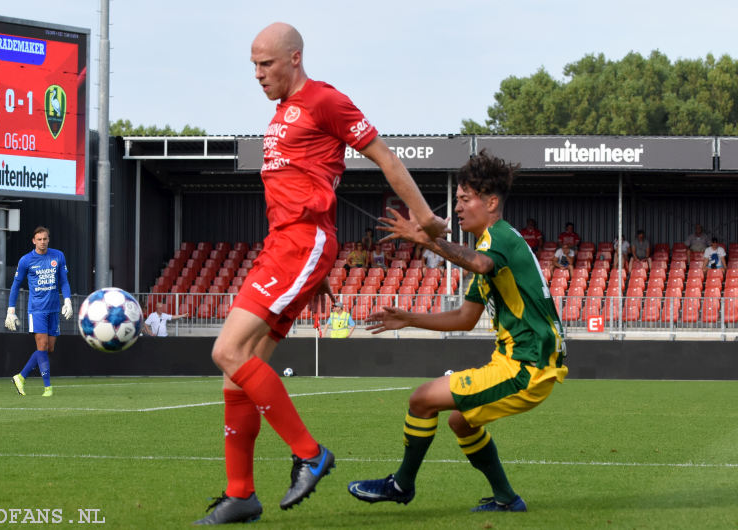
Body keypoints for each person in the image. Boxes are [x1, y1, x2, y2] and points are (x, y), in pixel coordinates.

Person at [198, 22, 448, 525]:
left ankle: (310, 454)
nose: (258, 74)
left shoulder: (324, 100)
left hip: (300, 243)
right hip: (288, 248)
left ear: (294, 58)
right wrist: (317, 274)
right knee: (236, 376)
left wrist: (425, 217)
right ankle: (240, 494)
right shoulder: (282, 115)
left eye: (265, 64)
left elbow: (385, 157)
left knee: (226, 351)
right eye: (253, 65)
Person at [347, 150, 567, 513]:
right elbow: (465, 318)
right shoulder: (489, 248)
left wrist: (426, 239)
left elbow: (479, 263)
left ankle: (401, 484)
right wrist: (410, 318)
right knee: (461, 421)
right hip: (517, 362)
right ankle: (507, 499)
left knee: (421, 399)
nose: (459, 207)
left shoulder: (500, 238)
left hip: (527, 365)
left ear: (491, 202)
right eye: (458, 199)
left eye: (465, 199)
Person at [6, 226, 73, 398]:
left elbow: (64, 282)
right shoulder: (26, 260)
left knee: (49, 349)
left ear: (48, 239)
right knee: (42, 346)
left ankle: (20, 376)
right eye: (39, 239)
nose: (42, 242)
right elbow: (15, 285)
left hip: (54, 309)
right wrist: (11, 310)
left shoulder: (58, 256)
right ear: (33, 241)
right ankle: (48, 388)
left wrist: (67, 300)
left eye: (45, 239)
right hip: (37, 309)